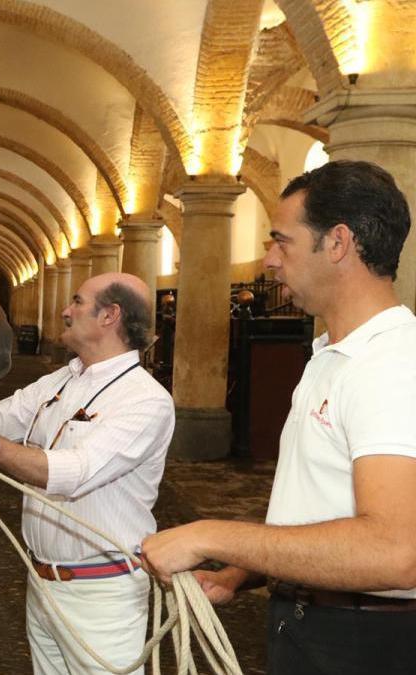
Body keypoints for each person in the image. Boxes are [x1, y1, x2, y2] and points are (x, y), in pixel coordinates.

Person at [141, 160, 416, 674]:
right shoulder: (332, 356)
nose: (268, 260)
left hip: (365, 641)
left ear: (338, 243)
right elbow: (319, 508)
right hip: (311, 621)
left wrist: (209, 534)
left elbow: (397, 550)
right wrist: (240, 571)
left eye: (281, 241)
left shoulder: (392, 365)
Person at [0, 271, 174, 675]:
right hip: (43, 583)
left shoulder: (145, 400)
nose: (64, 310)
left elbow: (73, 473)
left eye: (76, 301)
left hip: (101, 595)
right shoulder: (62, 378)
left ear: (110, 316)